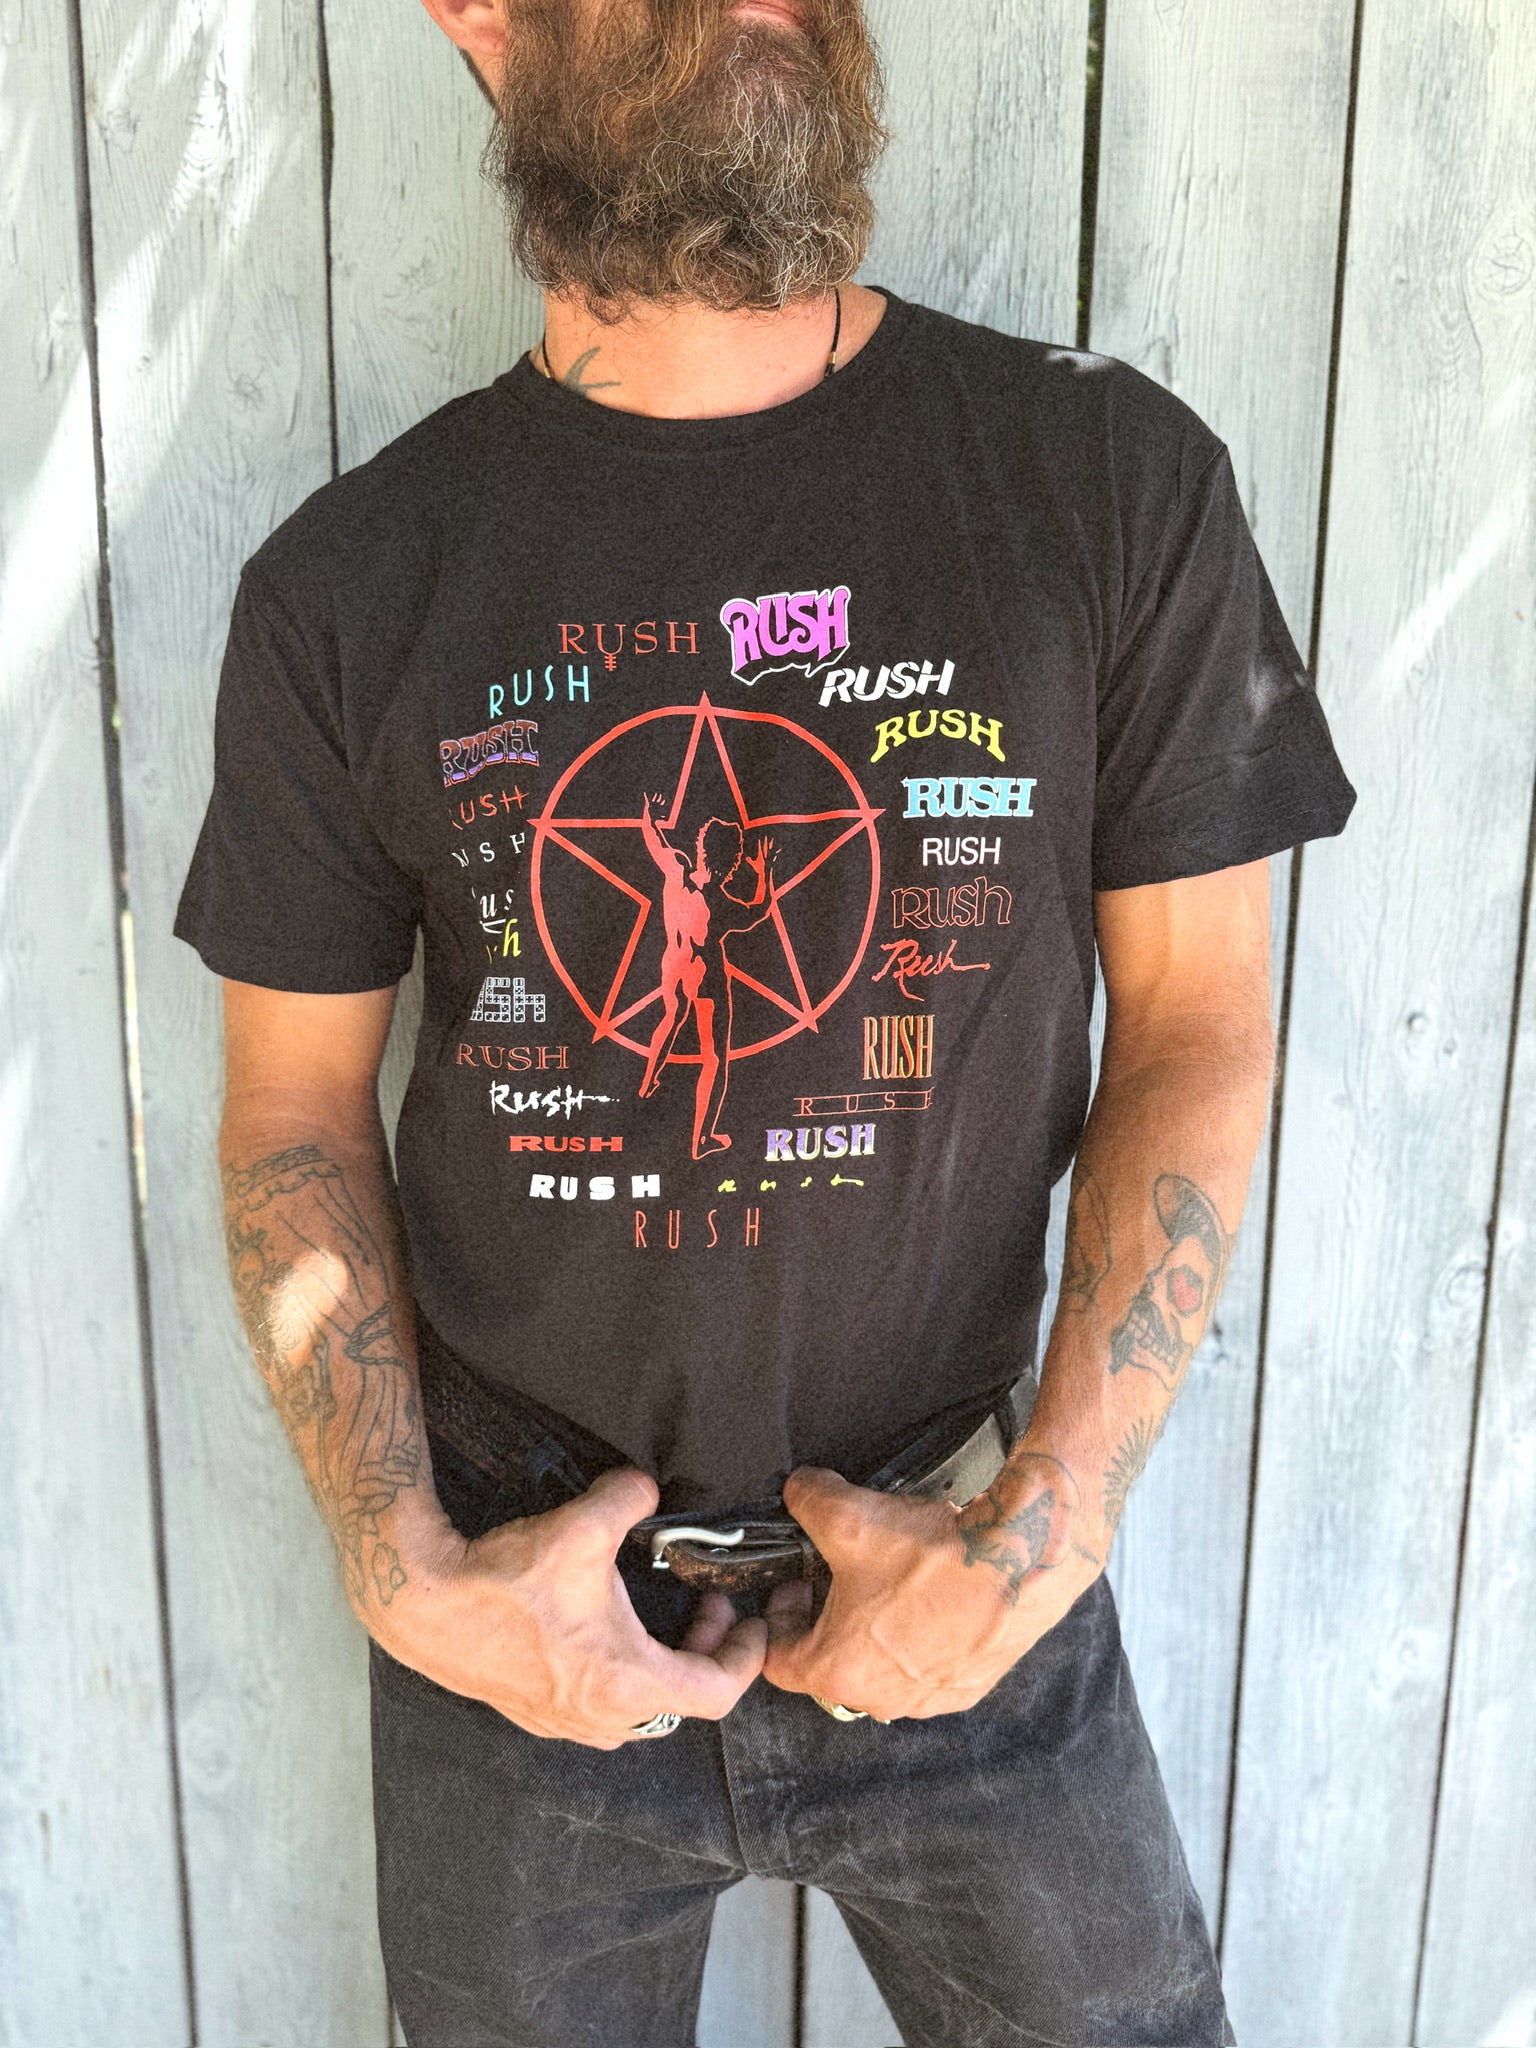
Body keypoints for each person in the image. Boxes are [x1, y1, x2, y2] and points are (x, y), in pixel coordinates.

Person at [174, 0, 1357, 2040]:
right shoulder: (349, 589)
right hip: (522, 1603)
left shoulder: (1103, 481)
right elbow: (293, 1108)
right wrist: (411, 1573)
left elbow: (1198, 1025)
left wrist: (1044, 1526)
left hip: (968, 1540)